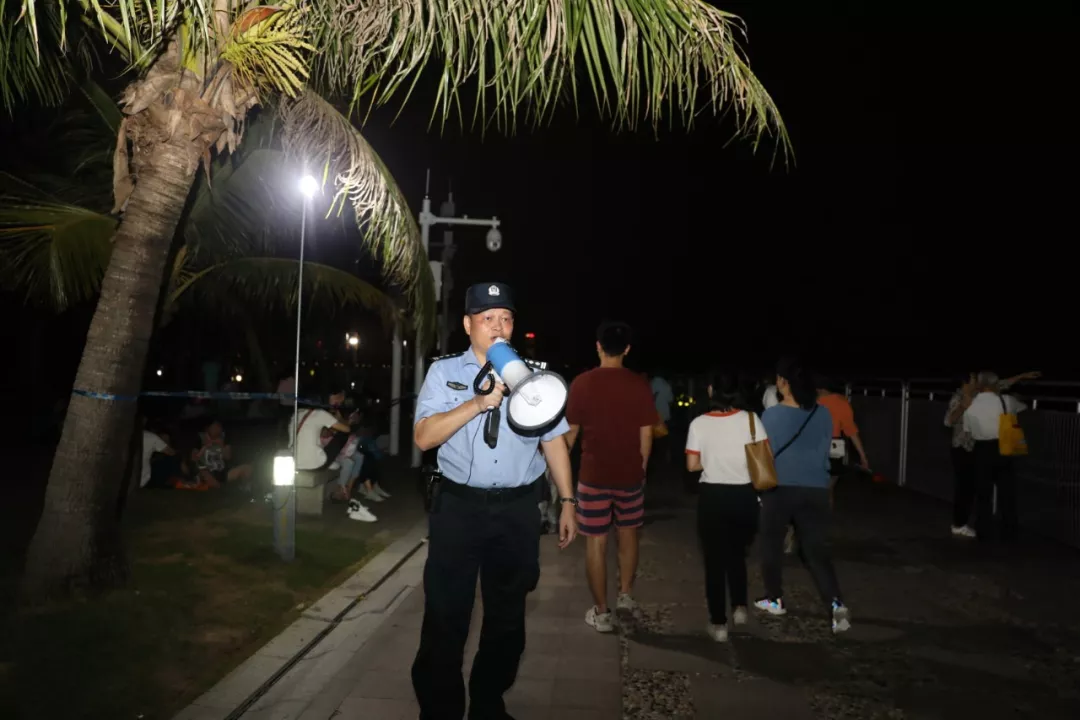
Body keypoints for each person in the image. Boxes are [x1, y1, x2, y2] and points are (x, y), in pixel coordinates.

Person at [411, 282, 577, 720]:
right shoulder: (443, 372)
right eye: (487, 318)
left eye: (506, 318)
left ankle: (488, 703)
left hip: (516, 511)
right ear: (468, 325)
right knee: (446, 615)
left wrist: (568, 500)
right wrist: (479, 403)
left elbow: (554, 443)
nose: (498, 326)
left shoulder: (536, 378)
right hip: (458, 509)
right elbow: (424, 436)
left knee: (507, 620)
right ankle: (440, 709)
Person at [565, 321, 657, 632]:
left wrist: (557, 471)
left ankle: (602, 613)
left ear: (598, 346)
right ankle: (626, 596)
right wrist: (641, 470)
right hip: (629, 474)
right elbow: (646, 434)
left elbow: (571, 434)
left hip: (592, 476)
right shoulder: (639, 385)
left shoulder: (581, 384)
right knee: (628, 533)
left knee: (596, 542)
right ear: (627, 349)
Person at [756, 358, 851, 634]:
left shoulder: (771, 415)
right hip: (816, 488)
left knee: (772, 545)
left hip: (780, 489)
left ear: (783, 382)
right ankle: (836, 603)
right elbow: (825, 449)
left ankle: (775, 598)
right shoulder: (822, 414)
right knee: (815, 551)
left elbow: (764, 454)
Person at [685, 369, 763, 642]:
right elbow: (762, 458)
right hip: (744, 496)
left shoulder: (699, 424)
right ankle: (740, 607)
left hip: (713, 497)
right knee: (738, 553)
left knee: (714, 561)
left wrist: (714, 459)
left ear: (711, 391)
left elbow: (692, 465)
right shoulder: (752, 420)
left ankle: (718, 624)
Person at [945, 369, 1038, 538]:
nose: (976, 381)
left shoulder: (977, 394)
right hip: (963, 448)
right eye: (973, 379)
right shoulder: (959, 397)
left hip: (977, 447)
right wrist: (963, 407)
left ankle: (975, 525)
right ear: (965, 383)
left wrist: (1020, 376)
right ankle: (959, 524)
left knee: (977, 488)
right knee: (965, 487)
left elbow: (999, 384)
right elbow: (948, 421)